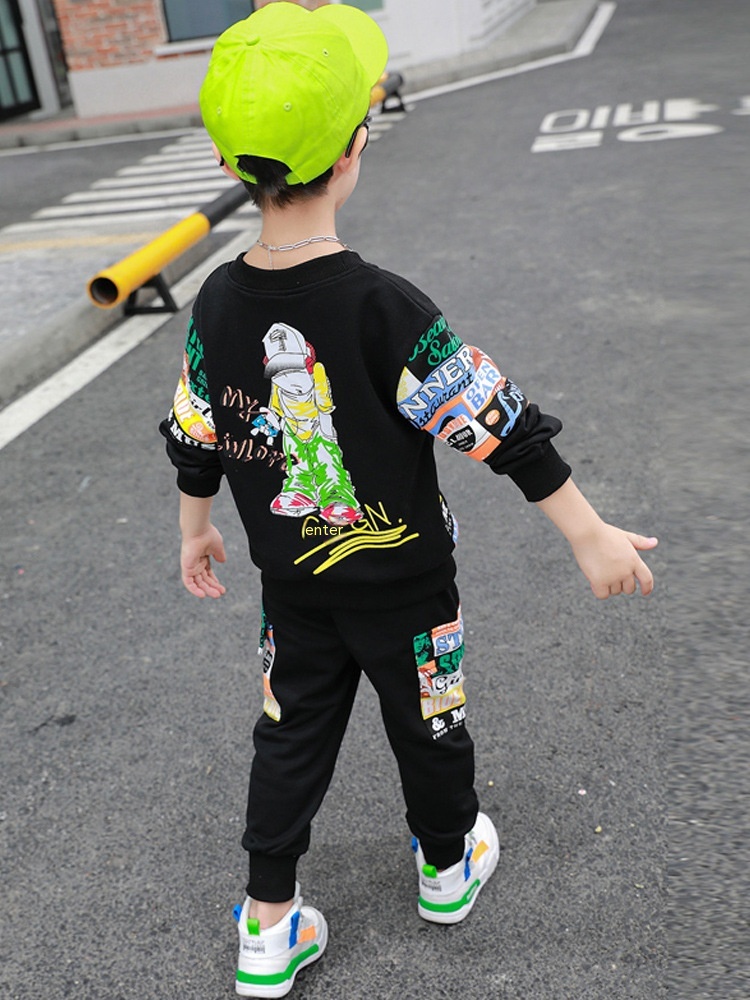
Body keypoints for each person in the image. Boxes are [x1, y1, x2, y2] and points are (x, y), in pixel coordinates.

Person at [160, 4, 658, 997]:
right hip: (409, 586)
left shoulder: (215, 301)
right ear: (355, 147)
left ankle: (268, 924)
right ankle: (445, 864)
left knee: (288, 733)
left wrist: (196, 527)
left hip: (295, 589)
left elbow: (197, 426)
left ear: (225, 160)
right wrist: (587, 531)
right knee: (430, 722)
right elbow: (492, 420)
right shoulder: (382, 304)